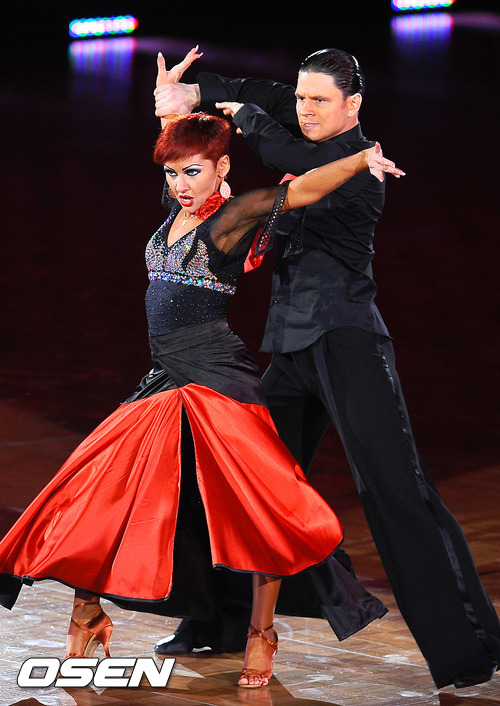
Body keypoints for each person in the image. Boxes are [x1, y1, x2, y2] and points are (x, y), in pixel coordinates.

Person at [0, 60, 402, 688]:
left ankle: (261, 634)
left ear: (223, 169)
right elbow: (180, 149)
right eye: (172, 173)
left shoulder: (232, 218)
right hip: (165, 376)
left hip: (218, 381)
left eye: (194, 172)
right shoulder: (177, 207)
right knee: (100, 490)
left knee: (260, 511)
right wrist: (170, 105)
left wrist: (357, 161)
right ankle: (87, 616)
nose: (181, 184)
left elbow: (300, 191)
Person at [153, 48, 500, 689]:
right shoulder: (307, 124)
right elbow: (265, 95)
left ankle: (472, 648)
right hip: (291, 347)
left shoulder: (359, 163)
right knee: (243, 483)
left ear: (354, 104)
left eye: (320, 100)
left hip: (347, 343)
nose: (306, 110)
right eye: (302, 99)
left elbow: (291, 155)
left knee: (397, 492)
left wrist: (246, 117)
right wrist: (194, 94)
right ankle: (218, 623)